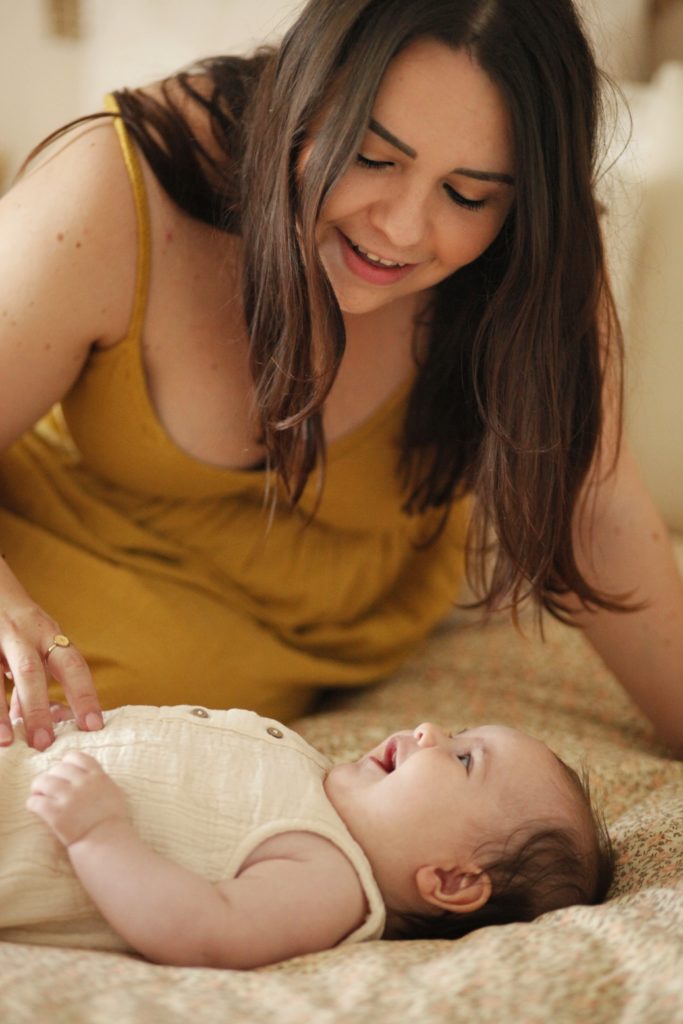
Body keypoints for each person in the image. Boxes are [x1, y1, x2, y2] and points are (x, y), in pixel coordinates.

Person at [1, 0, 682, 755]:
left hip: (250, 671)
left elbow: (592, 508)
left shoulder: (525, 258)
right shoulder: (118, 190)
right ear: (303, 93)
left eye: (466, 194)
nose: (399, 228)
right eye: (371, 156)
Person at [1, 705, 613, 968]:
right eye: (459, 733)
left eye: (463, 760)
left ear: (451, 880)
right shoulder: (314, 777)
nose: (430, 729)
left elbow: (207, 930)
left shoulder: (330, 879)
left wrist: (99, 834)